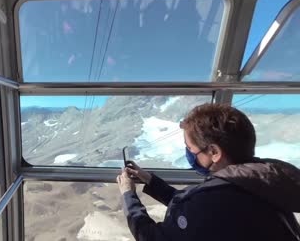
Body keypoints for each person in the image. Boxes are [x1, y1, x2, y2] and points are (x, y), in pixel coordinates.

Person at [117, 103, 300, 241]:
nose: (189, 153)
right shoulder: (262, 180)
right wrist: (149, 179)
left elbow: (152, 237)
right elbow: (190, 203)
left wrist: (128, 195)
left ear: (214, 152)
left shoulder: (216, 199)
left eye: (190, 148)